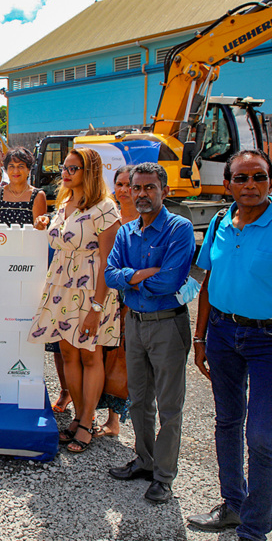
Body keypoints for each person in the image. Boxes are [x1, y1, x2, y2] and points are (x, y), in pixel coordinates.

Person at [188, 150, 272, 541]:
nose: (250, 185)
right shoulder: (218, 222)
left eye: (258, 178)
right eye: (241, 179)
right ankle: (233, 504)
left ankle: (254, 529)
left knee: (261, 433)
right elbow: (208, 283)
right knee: (227, 421)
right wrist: (200, 338)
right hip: (224, 334)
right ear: (227, 184)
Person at [104, 162, 195, 505]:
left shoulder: (179, 229)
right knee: (139, 399)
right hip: (136, 323)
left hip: (167, 324)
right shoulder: (127, 232)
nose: (141, 194)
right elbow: (110, 275)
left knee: (170, 404)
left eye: (149, 188)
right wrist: (141, 274)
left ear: (164, 190)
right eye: (135, 187)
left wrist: (130, 279)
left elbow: (169, 282)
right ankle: (144, 460)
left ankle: (164, 477)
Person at [28, 148, 120, 454]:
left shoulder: (105, 208)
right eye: (64, 167)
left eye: (73, 168)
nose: (65, 173)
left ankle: (85, 422)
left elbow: (109, 261)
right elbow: (61, 238)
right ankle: (80, 418)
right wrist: (45, 221)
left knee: (90, 355)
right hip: (62, 286)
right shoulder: (64, 203)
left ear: (89, 171)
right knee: (67, 354)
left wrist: (97, 307)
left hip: (92, 289)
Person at [94, 165, 137, 438]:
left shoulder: (146, 220)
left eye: (128, 185)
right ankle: (93, 412)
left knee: (121, 358)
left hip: (129, 298)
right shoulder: (110, 216)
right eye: (119, 184)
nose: (123, 190)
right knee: (101, 354)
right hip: (105, 293)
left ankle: (114, 419)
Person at [0, 146, 47, 226]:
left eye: (20, 166)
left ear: (28, 169)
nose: (16, 171)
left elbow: (38, 231)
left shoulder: (38, 196)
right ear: (6, 169)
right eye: (12, 166)